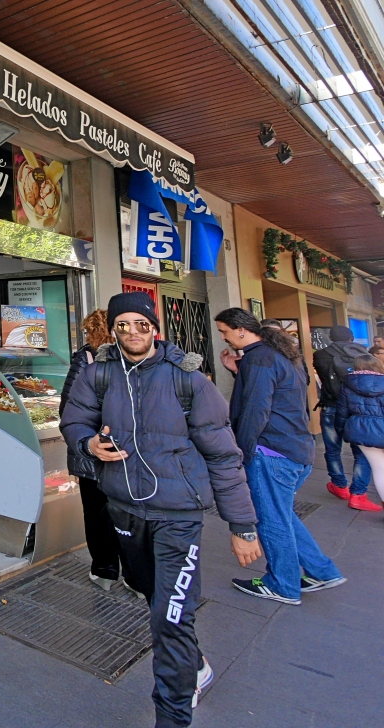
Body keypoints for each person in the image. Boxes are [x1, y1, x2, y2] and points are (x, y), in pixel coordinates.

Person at [62, 292, 260, 728]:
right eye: (123, 325)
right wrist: (87, 443)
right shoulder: (98, 373)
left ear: (155, 328)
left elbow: (223, 455)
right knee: (158, 601)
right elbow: (73, 420)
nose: (132, 332)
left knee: (171, 618)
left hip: (178, 515)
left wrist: (242, 525)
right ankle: (195, 666)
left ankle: (172, 714)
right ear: (113, 329)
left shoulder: (189, 379)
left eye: (141, 324)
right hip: (124, 511)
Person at [215, 308, 345, 604]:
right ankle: (321, 570)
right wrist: (238, 370)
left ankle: (283, 584)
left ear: (240, 329)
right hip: (295, 447)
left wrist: (241, 453)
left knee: (270, 519)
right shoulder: (281, 355)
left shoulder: (258, 359)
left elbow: (255, 409)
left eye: (224, 331)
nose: (223, 337)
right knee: (281, 515)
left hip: (270, 452)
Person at [59, 308, 126, 590]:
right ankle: (135, 575)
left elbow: (68, 408)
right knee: (129, 513)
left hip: (92, 448)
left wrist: (85, 442)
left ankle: (104, 571)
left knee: (97, 512)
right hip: (126, 450)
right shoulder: (133, 359)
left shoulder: (85, 359)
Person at [312, 326, 381, 511]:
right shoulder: (362, 353)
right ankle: (358, 494)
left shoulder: (320, 355)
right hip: (358, 410)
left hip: (330, 406)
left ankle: (339, 485)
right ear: (351, 338)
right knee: (361, 452)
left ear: (331, 337)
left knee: (332, 449)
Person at [340, 353, 384, 513]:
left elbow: (342, 412)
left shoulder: (348, 384)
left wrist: (341, 431)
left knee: (379, 468)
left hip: (361, 430)